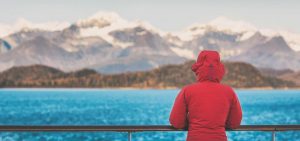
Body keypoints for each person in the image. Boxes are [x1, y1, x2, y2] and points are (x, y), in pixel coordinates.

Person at [169, 50, 242, 141]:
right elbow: (234, 123)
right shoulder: (229, 92)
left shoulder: (187, 91)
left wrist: (191, 121)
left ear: (198, 69)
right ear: (220, 69)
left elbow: (176, 122)